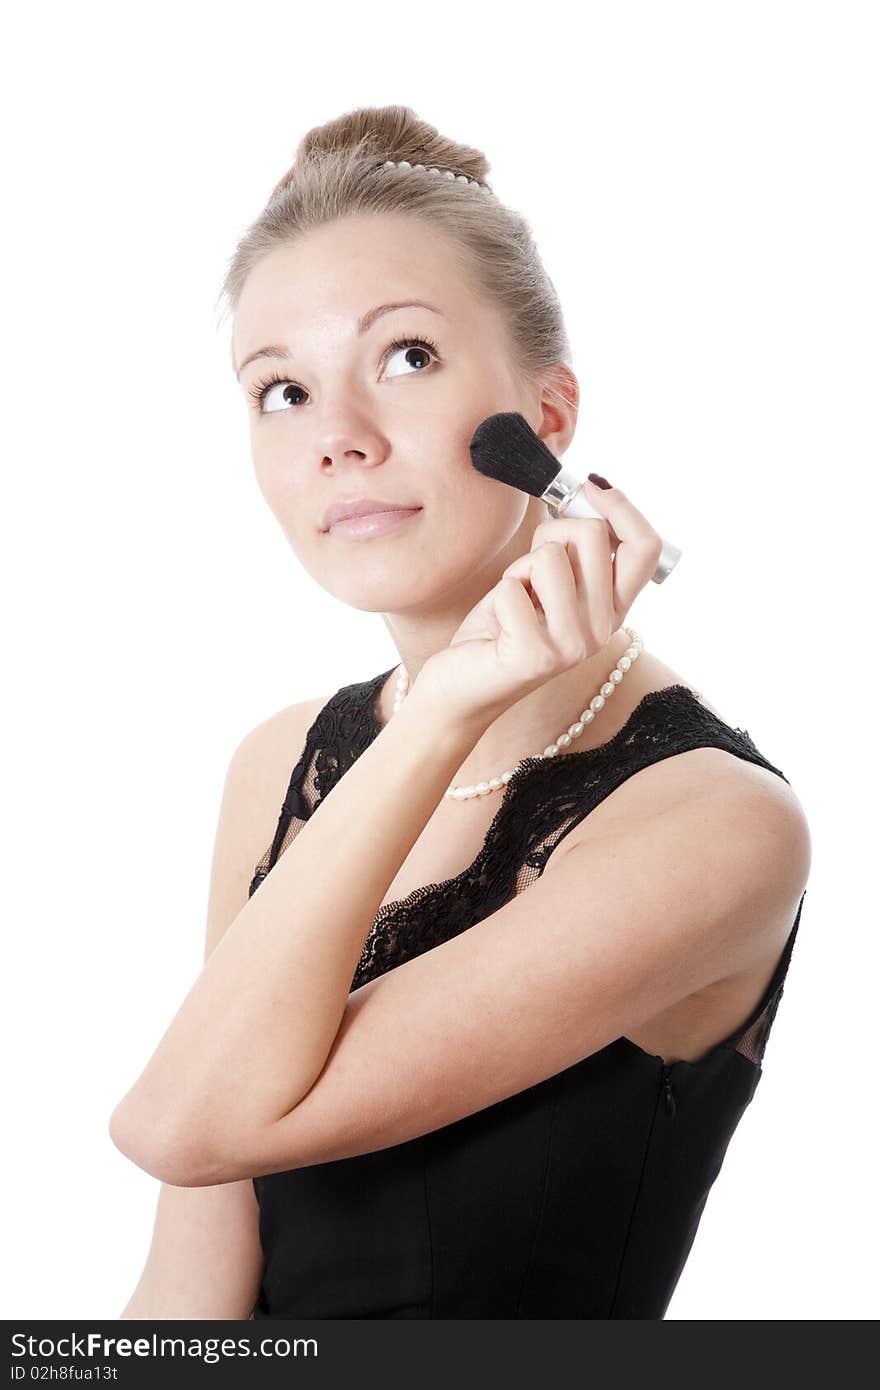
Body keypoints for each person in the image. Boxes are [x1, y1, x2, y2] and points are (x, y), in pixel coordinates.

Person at [111, 105, 811, 1320]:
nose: (337, 439)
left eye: (408, 358)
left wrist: (437, 717)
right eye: (280, 390)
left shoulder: (717, 826)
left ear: (546, 421)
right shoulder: (280, 762)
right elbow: (192, 1289)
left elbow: (184, 1123)